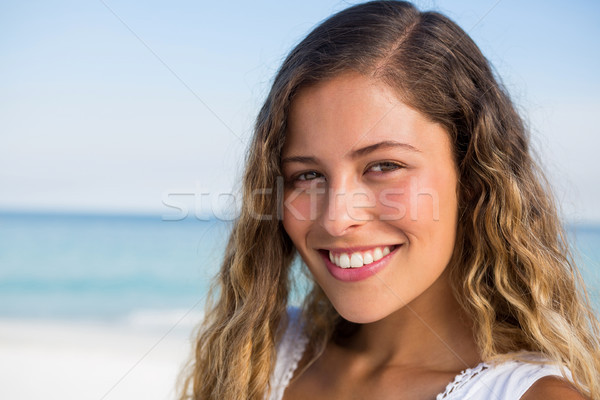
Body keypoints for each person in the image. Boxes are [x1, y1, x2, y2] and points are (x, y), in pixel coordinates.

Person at [178, 1, 600, 399]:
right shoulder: (253, 356)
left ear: (472, 178)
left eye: (383, 166)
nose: (337, 218)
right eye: (307, 175)